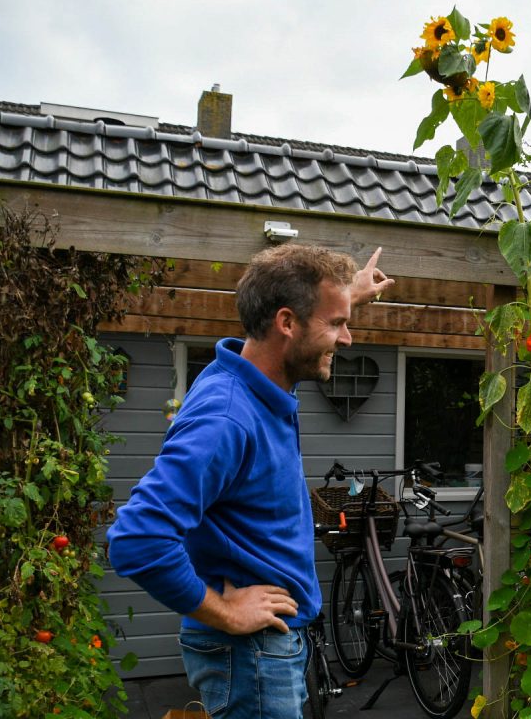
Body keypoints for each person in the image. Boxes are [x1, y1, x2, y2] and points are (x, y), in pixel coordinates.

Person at [107, 244, 393, 718]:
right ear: (286, 322)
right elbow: (137, 540)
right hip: (252, 656)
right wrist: (224, 612)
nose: (346, 339)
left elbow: (297, 341)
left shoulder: (258, 377)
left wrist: (346, 298)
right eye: (337, 324)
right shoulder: (227, 417)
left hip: (265, 651)